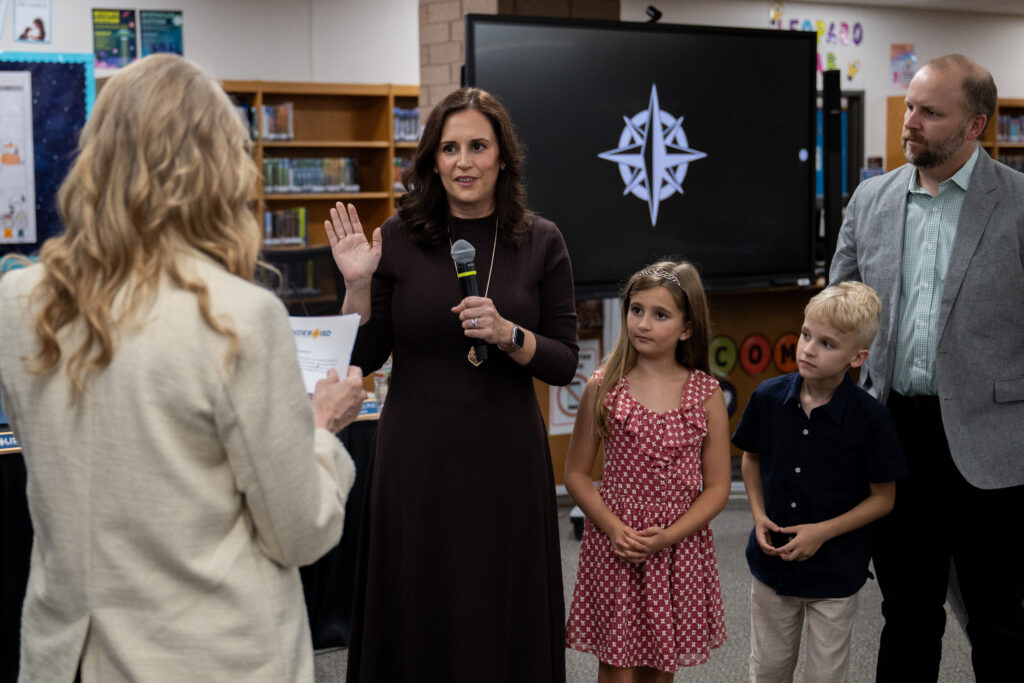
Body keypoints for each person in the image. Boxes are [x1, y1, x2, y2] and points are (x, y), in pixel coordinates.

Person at [0, 54, 365, 682]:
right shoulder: (239, 317)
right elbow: (299, 533)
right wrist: (321, 431)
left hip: (69, 658)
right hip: (212, 657)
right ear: (218, 168)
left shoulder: (20, 304)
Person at [326, 87, 579, 682]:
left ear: (502, 158)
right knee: (420, 605)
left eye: (478, 146)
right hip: (416, 458)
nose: (464, 161)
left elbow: (564, 362)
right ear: (432, 161)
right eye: (450, 148)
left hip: (505, 458)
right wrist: (357, 286)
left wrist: (508, 333)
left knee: (498, 608)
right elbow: (362, 357)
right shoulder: (400, 236)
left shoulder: (541, 240)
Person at [830, 53, 1024, 681]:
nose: (910, 122)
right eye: (910, 107)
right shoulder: (871, 200)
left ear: (976, 125)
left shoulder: (1019, 205)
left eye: (930, 112)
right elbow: (839, 315)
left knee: (1001, 618)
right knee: (908, 613)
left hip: (995, 445)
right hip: (895, 439)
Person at [564, 261, 730, 682]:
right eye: (636, 310)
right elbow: (578, 475)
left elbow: (717, 489)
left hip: (678, 549)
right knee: (617, 668)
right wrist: (616, 528)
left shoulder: (706, 394)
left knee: (661, 667)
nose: (643, 323)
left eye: (660, 315)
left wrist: (668, 536)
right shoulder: (603, 386)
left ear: (687, 328)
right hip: (618, 546)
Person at [733, 282, 906, 682]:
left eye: (827, 343)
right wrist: (758, 515)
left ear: (858, 357)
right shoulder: (767, 397)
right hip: (771, 568)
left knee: (825, 676)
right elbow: (751, 459)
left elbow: (884, 498)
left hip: (835, 573)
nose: (808, 349)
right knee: (769, 669)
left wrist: (821, 533)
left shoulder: (872, 419)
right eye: (807, 334)